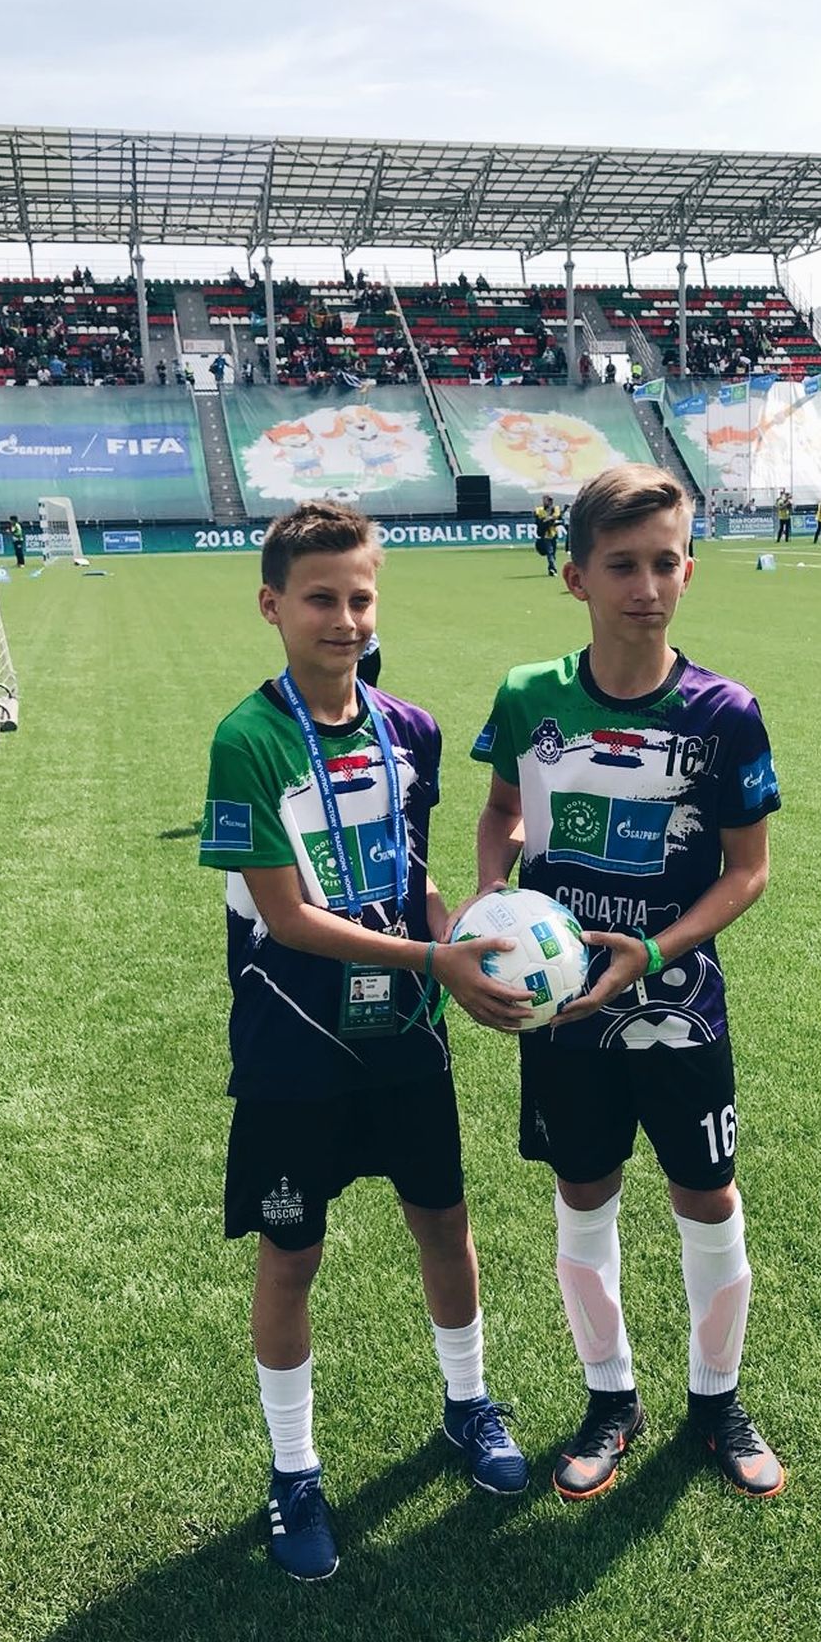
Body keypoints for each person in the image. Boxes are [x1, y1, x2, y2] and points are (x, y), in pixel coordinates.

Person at [198, 501, 532, 1582]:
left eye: (359, 597)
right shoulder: (248, 741)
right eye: (320, 599)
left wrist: (464, 935)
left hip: (404, 1031)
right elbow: (288, 916)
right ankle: (294, 1468)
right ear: (272, 606)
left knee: (444, 1221)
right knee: (292, 1254)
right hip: (294, 1038)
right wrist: (436, 959)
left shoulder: (411, 730)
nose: (343, 619)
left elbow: (410, 873)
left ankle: (467, 1402)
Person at [469, 463, 786, 1502]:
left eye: (665, 562)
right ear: (576, 577)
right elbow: (502, 811)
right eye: (621, 565)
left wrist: (652, 951)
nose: (646, 586)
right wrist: (493, 904)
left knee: (708, 1195)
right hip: (566, 1010)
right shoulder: (529, 695)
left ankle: (716, 1398)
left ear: (689, 569)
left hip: (679, 1002)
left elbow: (748, 869)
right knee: (583, 1192)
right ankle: (610, 1396)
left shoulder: (725, 713)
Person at [533, 493, 561, 576]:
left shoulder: (555, 508)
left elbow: (556, 516)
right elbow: (538, 518)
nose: (547, 502)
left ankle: (551, 568)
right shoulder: (540, 510)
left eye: (549, 500)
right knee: (550, 552)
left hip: (553, 533)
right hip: (545, 534)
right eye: (545, 500)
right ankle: (553, 569)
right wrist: (546, 520)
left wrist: (549, 518)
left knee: (553, 553)